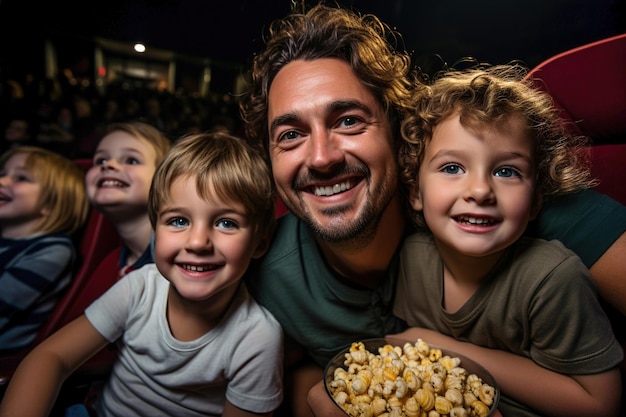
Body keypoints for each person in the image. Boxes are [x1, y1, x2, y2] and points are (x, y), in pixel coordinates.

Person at [238, 3, 626, 417]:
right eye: (291, 134)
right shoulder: (261, 267)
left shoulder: (504, 203)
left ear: (399, 133)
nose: (320, 157)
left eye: (348, 121)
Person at [392, 65, 623, 417]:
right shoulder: (408, 259)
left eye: (506, 171)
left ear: (535, 202)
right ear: (415, 191)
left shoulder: (551, 278)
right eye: (452, 168)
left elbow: (600, 404)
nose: (481, 190)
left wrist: (442, 347)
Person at [0, 132, 284, 417]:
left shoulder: (257, 338)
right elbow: (51, 357)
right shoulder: (139, 288)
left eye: (226, 223)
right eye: (178, 220)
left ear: (259, 243)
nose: (197, 242)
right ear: (155, 230)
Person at [0, 146, 89, 352]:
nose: (2, 181)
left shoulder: (53, 250)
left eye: (21, 178)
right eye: (2, 173)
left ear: (51, 203)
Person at [85, 121, 171, 278]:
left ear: (164, 180)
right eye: (100, 160)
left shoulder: (175, 254)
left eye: (131, 160)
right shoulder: (116, 262)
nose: (109, 165)